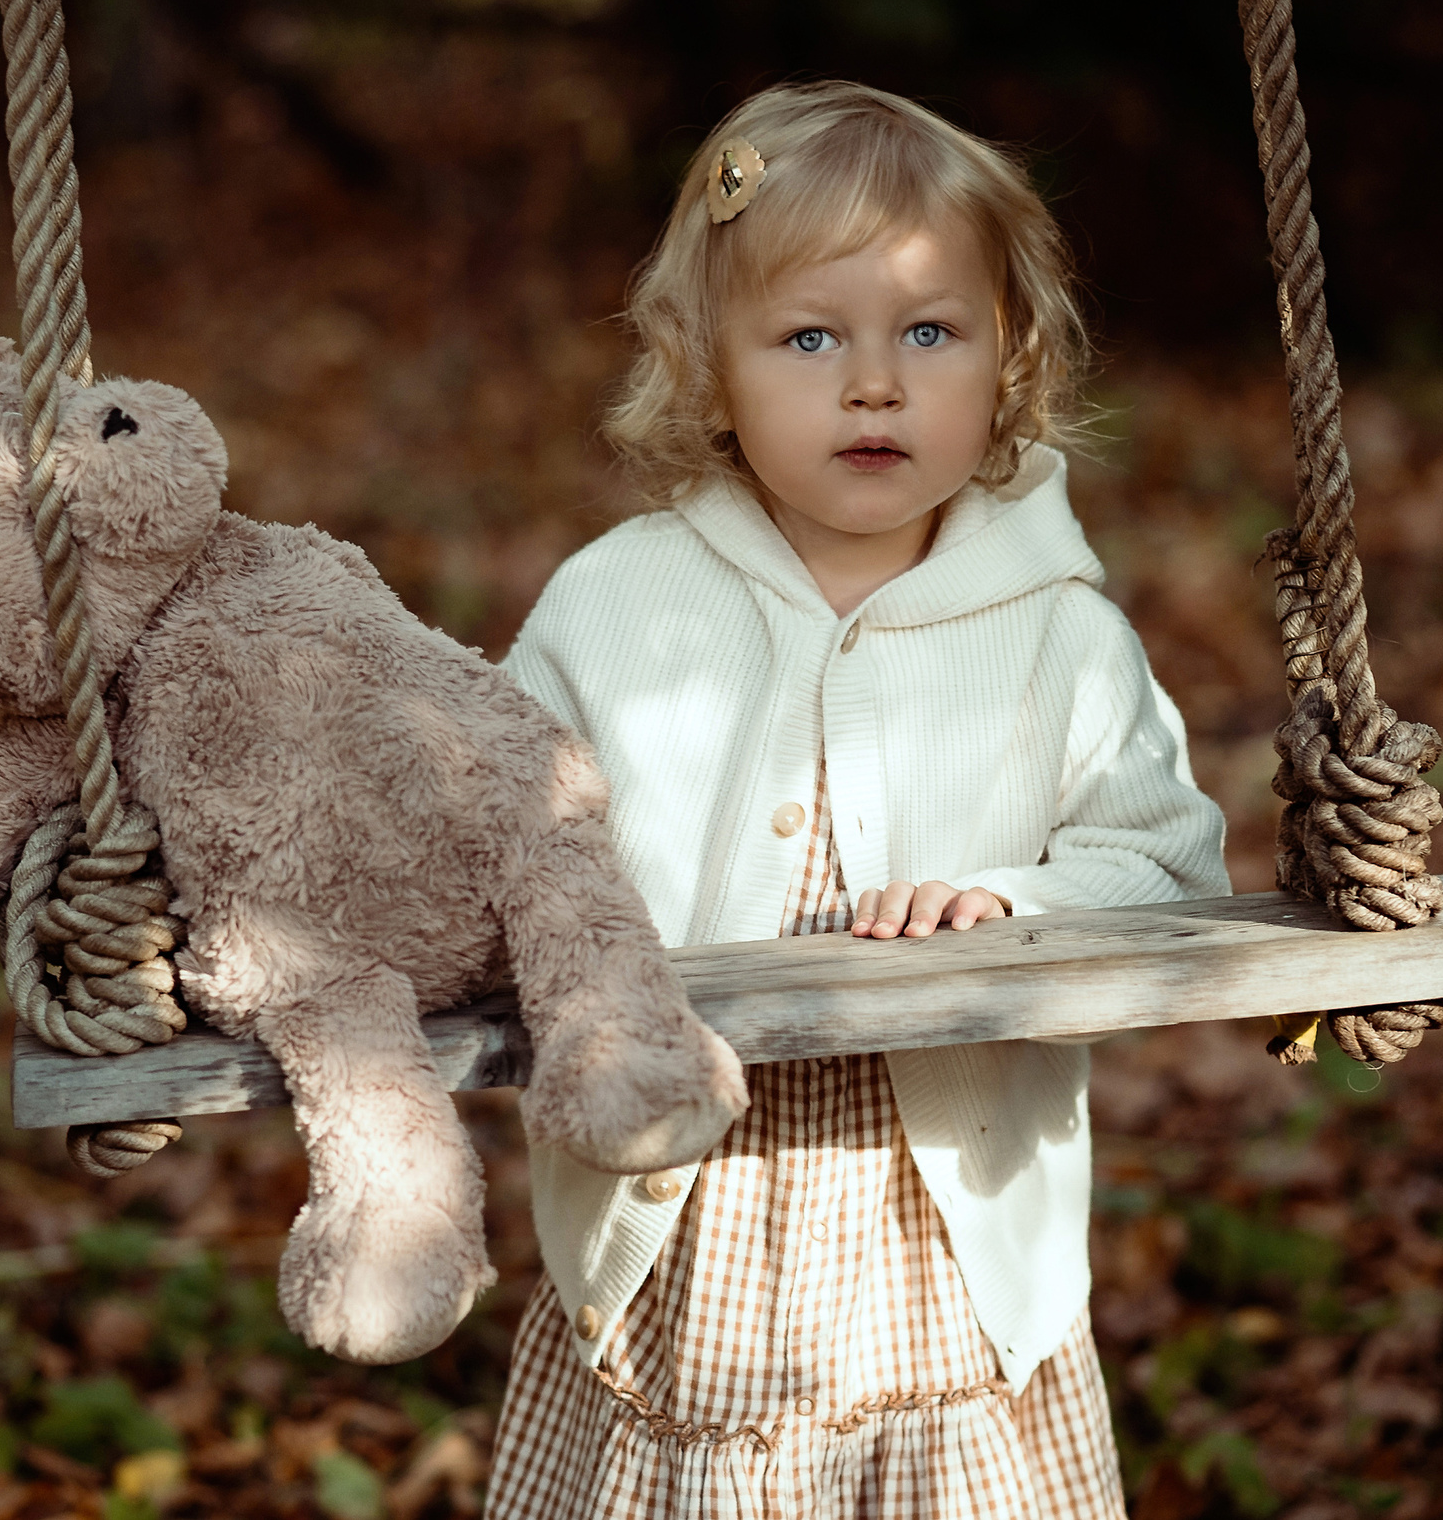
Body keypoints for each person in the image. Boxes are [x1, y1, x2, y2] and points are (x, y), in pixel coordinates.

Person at [487, 79, 1230, 1519]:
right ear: (710, 365)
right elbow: (499, 831)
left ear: (1007, 362)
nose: (873, 383)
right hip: (693, 1240)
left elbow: (1169, 866)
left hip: (943, 1262)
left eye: (929, 333)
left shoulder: (1057, 629)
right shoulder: (616, 603)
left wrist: (1016, 902)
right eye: (812, 336)